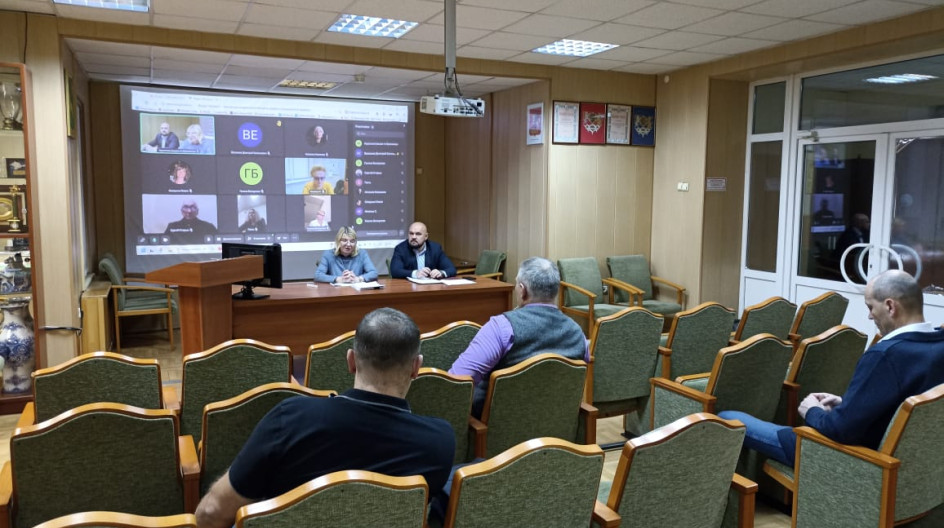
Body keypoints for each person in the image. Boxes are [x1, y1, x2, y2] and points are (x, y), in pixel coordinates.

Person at [195, 308, 455, 528]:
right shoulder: (439, 443)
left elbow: (211, 513)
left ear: (351, 361)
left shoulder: (290, 418)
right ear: (416, 367)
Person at [718, 270, 944, 467]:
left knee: (727, 418)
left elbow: (840, 431)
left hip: (846, 456)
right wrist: (848, 403)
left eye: (870, 307)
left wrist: (812, 411)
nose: (869, 315)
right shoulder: (937, 345)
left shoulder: (885, 355)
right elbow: (899, 402)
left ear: (890, 306)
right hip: (908, 461)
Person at [449, 256, 588, 416]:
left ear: (523, 291)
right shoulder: (578, 333)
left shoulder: (501, 327)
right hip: (556, 424)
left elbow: (456, 382)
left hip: (495, 425)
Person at [390, 222, 456, 279]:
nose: (413, 237)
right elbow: (395, 271)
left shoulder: (435, 248)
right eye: (411, 233)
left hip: (431, 287)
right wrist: (415, 273)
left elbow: (451, 269)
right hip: (408, 287)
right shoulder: (401, 249)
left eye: (418, 234)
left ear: (426, 236)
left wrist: (441, 273)